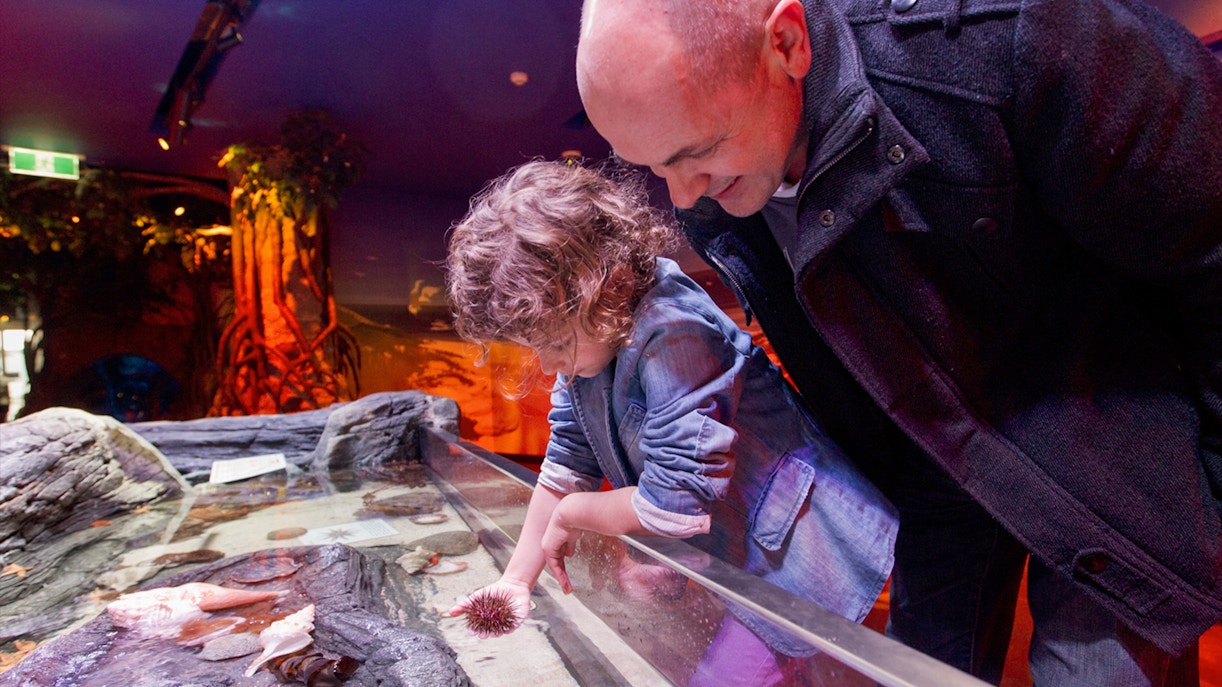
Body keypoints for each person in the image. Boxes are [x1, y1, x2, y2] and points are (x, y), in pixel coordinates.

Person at [574, 0, 1222, 684]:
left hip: (1116, 444)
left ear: (787, 44)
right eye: (655, 166)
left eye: (698, 152)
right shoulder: (715, 187)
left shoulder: (1007, 38)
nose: (684, 194)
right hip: (939, 462)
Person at [444, 160, 898, 685]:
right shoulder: (592, 341)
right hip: (733, 550)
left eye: (553, 344)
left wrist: (575, 513)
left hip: (796, 552)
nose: (547, 367)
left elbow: (670, 503)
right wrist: (516, 582)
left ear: (606, 288)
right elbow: (566, 462)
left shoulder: (673, 329)